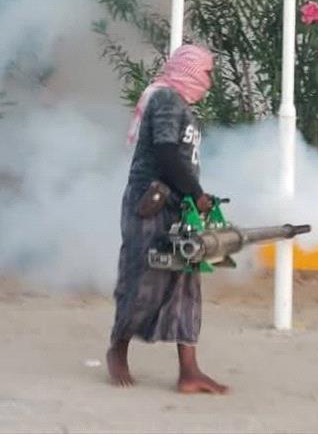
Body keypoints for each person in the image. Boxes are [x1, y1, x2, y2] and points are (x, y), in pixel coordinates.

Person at [107, 44, 228, 394]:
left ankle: (189, 371)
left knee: (186, 282)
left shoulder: (181, 107)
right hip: (151, 203)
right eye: (206, 73)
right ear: (189, 71)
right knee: (144, 279)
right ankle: (118, 348)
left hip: (179, 206)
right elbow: (165, 153)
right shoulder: (166, 100)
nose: (209, 81)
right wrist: (196, 192)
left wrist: (193, 197)